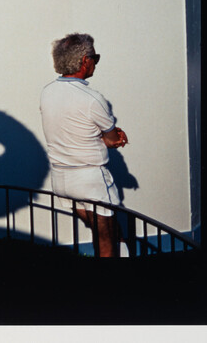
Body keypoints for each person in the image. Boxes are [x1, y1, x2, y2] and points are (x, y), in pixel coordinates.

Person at [40, 33, 128, 257]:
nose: (95, 63)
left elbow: (70, 129)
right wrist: (117, 137)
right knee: (107, 241)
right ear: (84, 60)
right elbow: (111, 140)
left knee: (105, 232)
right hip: (91, 181)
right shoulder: (93, 98)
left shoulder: (47, 92)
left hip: (61, 179)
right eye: (95, 58)